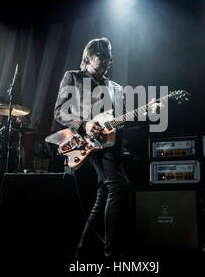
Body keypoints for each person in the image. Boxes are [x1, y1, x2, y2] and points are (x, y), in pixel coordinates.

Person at [54, 37, 131, 259]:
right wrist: (84, 124)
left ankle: (83, 248)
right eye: (101, 56)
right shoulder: (73, 77)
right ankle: (112, 253)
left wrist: (147, 111)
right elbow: (59, 111)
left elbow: (122, 119)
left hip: (111, 145)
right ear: (88, 56)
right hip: (86, 143)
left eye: (109, 57)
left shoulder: (113, 87)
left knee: (104, 192)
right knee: (119, 186)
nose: (106, 61)